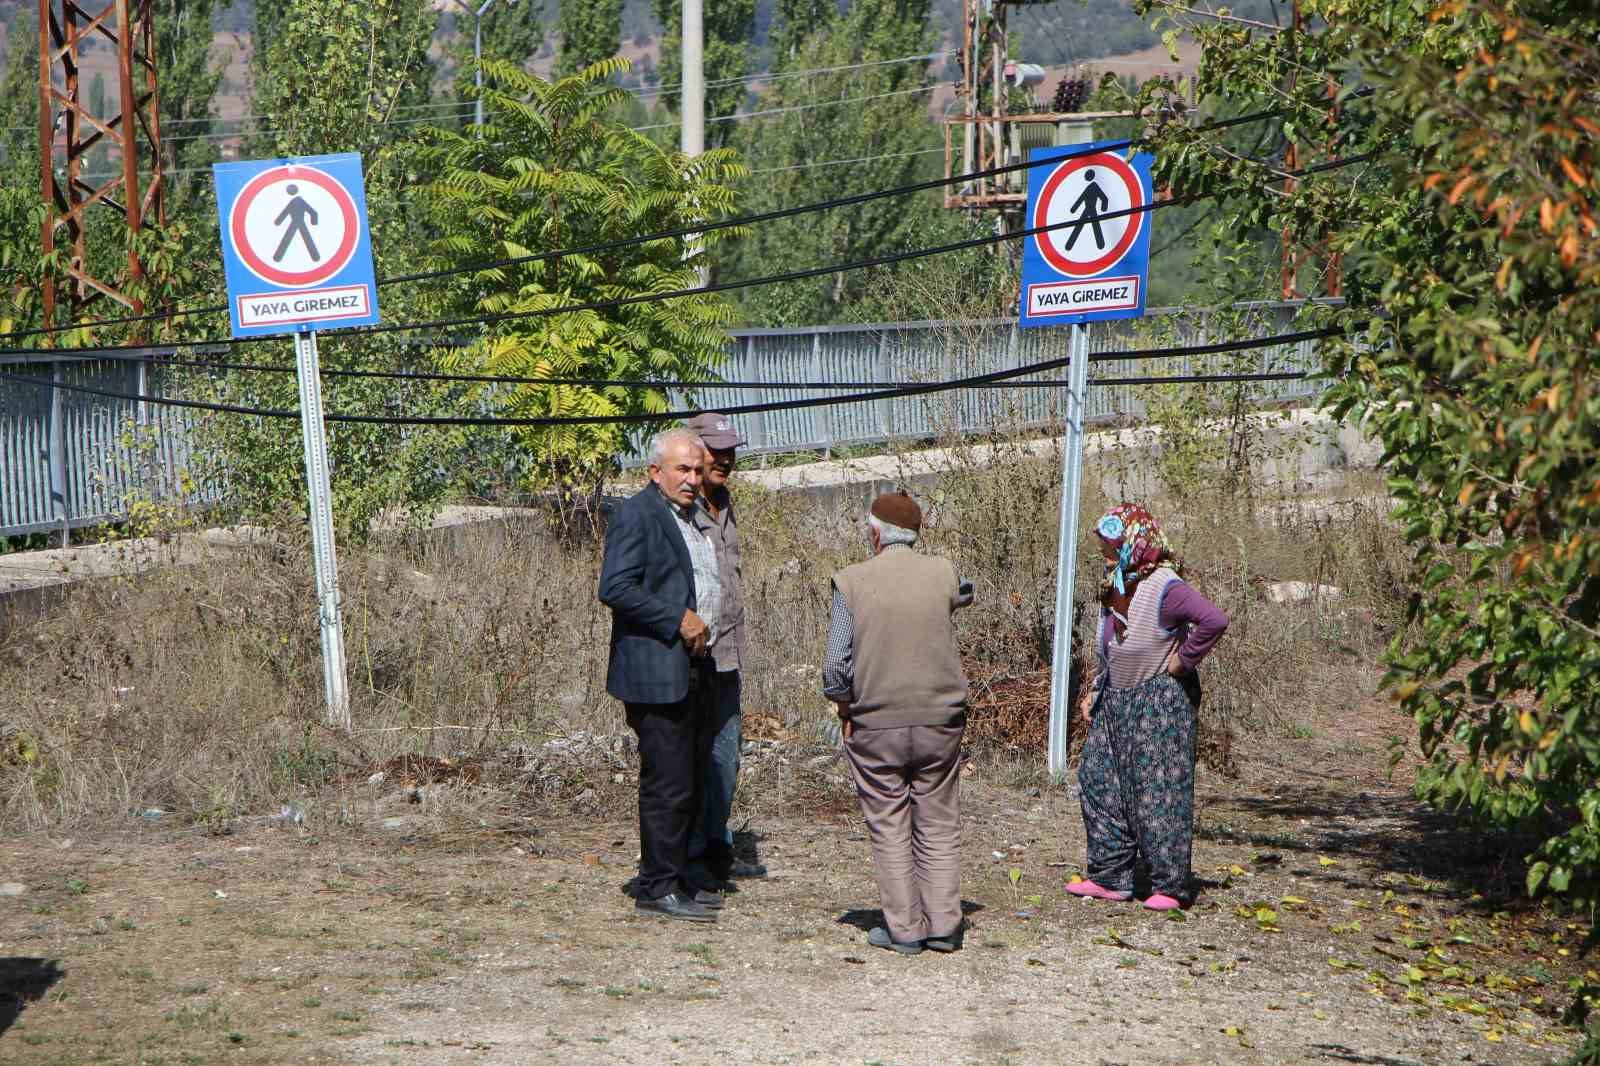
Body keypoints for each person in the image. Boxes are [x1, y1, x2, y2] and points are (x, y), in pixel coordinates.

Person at [823, 491, 974, 956]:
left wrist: (845, 707)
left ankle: (905, 930)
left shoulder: (850, 581)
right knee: (939, 820)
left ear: (874, 534)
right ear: (917, 533)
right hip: (941, 722)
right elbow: (964, 593)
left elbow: (835, 667)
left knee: (889, 822)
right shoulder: (944, 571)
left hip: (876, 724)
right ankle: (945, 925)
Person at [1066, 503, 1229, 911]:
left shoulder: (1165, 586)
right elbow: (1117, 648)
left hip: (1160, 699)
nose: (1104, 553)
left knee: (1157, 791)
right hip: (1117, 698)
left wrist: (1183, 660)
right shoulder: (1121, 584)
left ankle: (1169, 885)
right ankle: (1110, 877)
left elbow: (1213, 620)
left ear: (1133, 543)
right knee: (1099, 780)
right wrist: (1097, 688)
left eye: (1110, 544)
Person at [598, 427, 725, 923]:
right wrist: (677, 617)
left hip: (693, 667)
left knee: (690, 779)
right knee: (667, 782)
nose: (693, 479)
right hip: (655, 672)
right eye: (682, 470)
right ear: (655, 471)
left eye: (697, 470)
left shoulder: (689, 517)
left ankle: (680, 878)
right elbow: (615, 587)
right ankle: (656, 887)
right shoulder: (638, 515)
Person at [682, 411, 766, 892]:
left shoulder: (725, 504)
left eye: (731, 450)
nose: (726, 459)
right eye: (716, 450)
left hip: (729, 657)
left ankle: (716, 845)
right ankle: (689, 853)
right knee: (691, 759)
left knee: (725, 758)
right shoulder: (681, 509)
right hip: (692, 658)